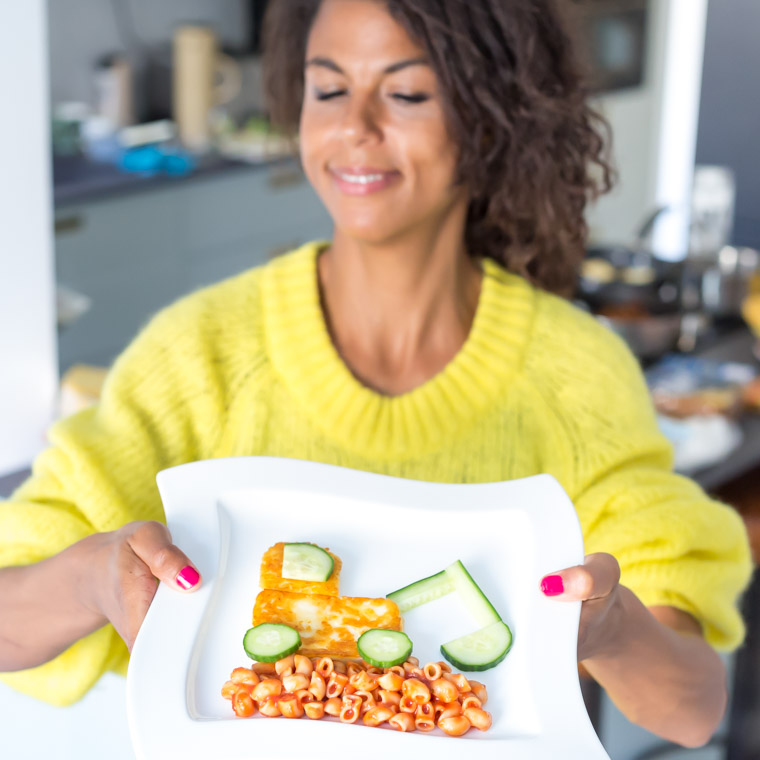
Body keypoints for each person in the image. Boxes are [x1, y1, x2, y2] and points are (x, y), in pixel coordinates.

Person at [0, 0, 752, 747]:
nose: (353, 127)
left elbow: (691, 710)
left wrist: (611, 629)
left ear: (489, 118)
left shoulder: (576, 373)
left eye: (406, 93)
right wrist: (94, 577)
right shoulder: (198, 354)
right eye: (328, 89)